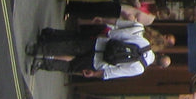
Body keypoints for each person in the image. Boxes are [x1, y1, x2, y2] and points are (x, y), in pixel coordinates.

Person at [29, 22, 172, 78]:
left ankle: (37, 49)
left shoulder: (144, 42)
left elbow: (119, 35)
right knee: (70, 66)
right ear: (158, 66)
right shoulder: (140, 68)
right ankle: (41, 64)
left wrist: (105, 35)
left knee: (69, 46)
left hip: (99, 44)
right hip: (99, 63)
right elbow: (115, 72)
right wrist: (95, 74)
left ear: (161, 53)